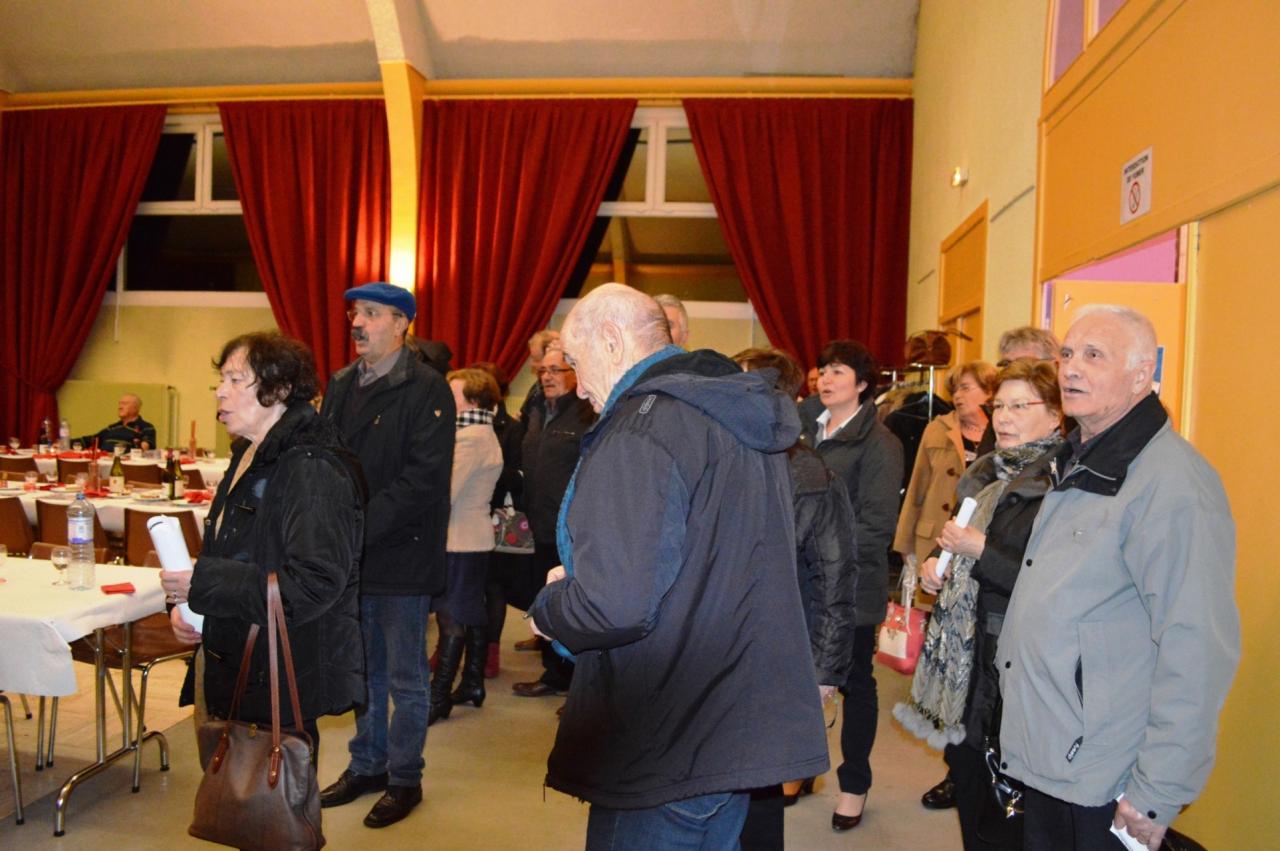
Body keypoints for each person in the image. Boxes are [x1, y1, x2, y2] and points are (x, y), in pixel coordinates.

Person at [528, 284, 829, 849]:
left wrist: (551, 609)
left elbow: (614, 604)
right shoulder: (725, 410)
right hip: (725, 724)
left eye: (574, 359)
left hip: (665, 735)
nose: (575, 380)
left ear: (612, 340)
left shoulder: (643, 428)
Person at [996, 305, 1240, 851]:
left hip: (1103, 772)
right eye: (1067, 353)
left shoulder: (1173, 484)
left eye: (1094, 355)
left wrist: (1159, 788)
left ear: (1140, 376)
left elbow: (1196, 645)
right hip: (1048, 755)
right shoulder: (1079, 458)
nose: (1071, 369)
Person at [161, 332, 364, 766]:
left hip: (277, 671)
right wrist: (188, 606)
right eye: (222, 379)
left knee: (268, 813)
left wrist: (205, 583)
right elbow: (229, 554)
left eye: (237, 379)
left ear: (280, 390)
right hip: (234, 657)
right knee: (236, 804)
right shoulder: (248, 454)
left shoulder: (310, 466)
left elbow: (314, 583)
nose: (220, 391)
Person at [894, 358, 1065, 849]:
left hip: (1016, 664)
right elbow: (955, 544)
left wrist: (978, 551)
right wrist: (935, 565)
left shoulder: (1060, 485)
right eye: (999, 406)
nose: (1004, 417)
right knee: (970, 782)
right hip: (968, 664)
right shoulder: (987, 472)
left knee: (1007, 811)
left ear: (1055, 415)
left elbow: (1050, 582)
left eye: (1019, 406)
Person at [317, 281, 456, 829]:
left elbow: (422, 481)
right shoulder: (340, 383)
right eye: (354, 312)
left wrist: (356, 527)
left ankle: (405, 778)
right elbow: (327, 459)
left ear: (402, 324)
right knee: (364, 671)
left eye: (371, 313)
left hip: (403, 554)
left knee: (404, 677)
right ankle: (367, 764)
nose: (357, 322)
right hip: (354, 557)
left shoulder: (428, 389)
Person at [733, 346, 858, 850]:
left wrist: (826, 673)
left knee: (761, 788)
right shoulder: (724, 458)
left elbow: (835, 579)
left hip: (778, 651)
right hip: (724, 646)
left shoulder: (812, 475)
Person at [800, 339, 903, 832]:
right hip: (801, 583)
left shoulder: (880, 443)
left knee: (854, 683)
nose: (825, 378)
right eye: (822, 370)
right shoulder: (802, 429)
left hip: (853, 586)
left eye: (838, 371)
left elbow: (878, 525)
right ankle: (798, 771)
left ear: (863, 384)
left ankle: (854, 785)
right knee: (799, 681)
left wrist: (819, 549)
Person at [510, 345, 596, 700]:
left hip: (570, 529)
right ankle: (555, 675)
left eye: (556, 370)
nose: (547, 376)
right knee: (543, 598)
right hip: (536, 525)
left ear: (575, 373)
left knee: (570, 606)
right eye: (542, 370)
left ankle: (577, 685)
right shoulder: (535, 411)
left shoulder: (586, 413)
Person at [428, 368, 504, 724]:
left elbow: (447, 492)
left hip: (459, 537)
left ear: (471, 400)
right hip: (471, 537)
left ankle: (438, 696)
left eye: (452, 393)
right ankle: (472, 682)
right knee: (470, 613)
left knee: (452, 618)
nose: (445, 398)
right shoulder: (479, 430)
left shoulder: (470, 437)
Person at [894, 361, 997, 569]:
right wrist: (905, 545)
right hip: (933, 538)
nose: (957, 395)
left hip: (978, 541)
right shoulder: (937, 429)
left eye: (965, 388)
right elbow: (916, 489)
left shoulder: (1003, 432)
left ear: (989, 391)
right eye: (955, 389)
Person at [80, 393, 156, 451]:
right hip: (104, 461)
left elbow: (144, 449)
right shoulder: (112, 428)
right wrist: (68, 442)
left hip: (126, 465)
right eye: (119, 404)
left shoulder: (146, 427)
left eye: (125, 404)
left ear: (136, 408)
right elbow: (92, 440)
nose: (120, 407)